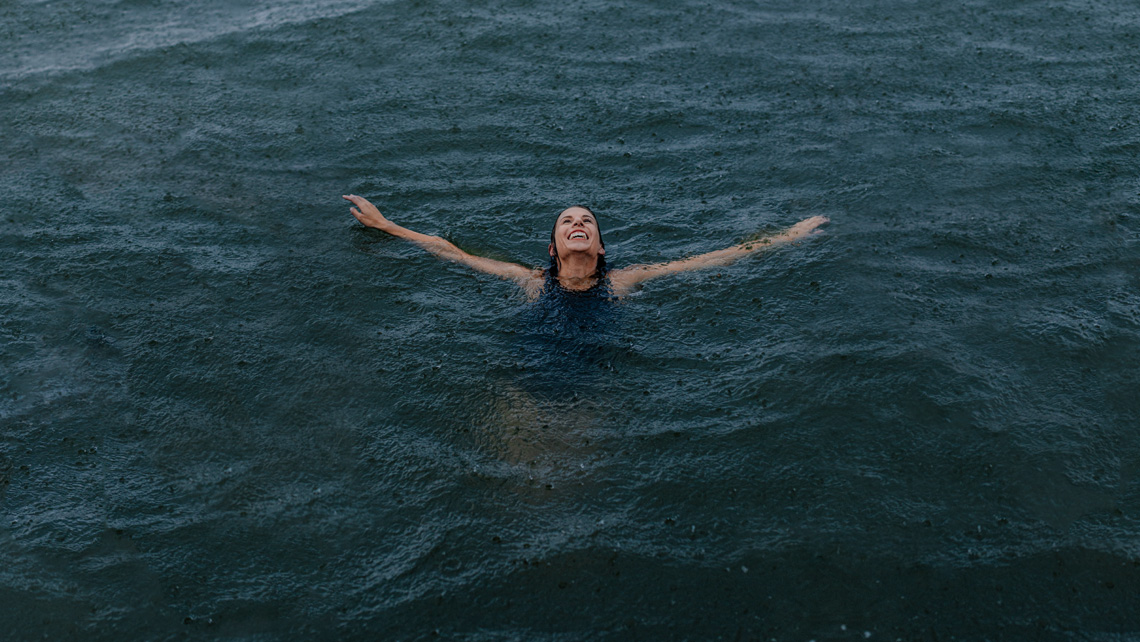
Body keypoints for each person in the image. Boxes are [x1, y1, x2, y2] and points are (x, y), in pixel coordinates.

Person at [341, 195, 828, 298]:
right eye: (567, 221)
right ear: (553, 247)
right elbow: (454, 253)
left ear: (597, 247)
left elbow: (710, 259)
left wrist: (788, 236)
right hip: (534, 366)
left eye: (587, 221)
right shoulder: (529, 279)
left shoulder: (622, 280)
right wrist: (388, 227)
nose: (578, 224)